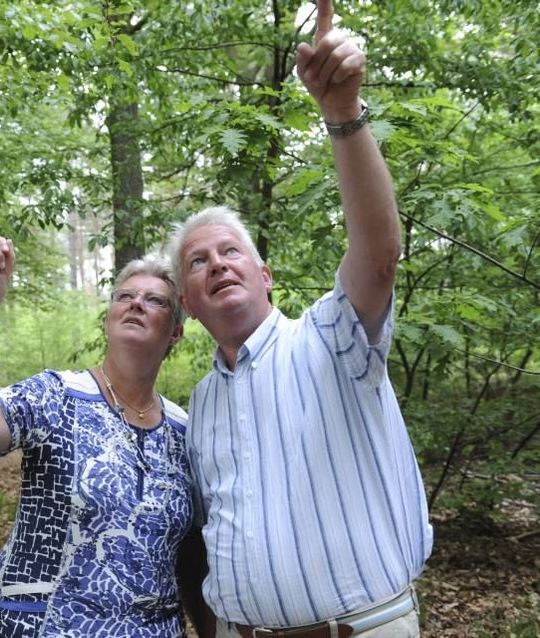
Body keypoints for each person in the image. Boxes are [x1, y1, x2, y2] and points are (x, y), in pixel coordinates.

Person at [170, 1, 432, 637]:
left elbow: (377, 257)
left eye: (232, 252)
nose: (218, 265)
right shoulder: (200, 404)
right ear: (189, 302)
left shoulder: (330, 339)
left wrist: (342, 116)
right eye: (198, 262)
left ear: (265, 277)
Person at [0, 235, 199, 637]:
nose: (135, 303)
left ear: (175, 333)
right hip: (44, 625)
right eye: (124, 296)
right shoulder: (57, 396)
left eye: (155, 300)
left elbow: (190, 555)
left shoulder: (183, 430)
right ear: (108, 318)